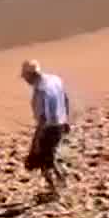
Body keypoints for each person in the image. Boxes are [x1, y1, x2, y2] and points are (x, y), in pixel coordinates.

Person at [20, 61, 69, 199]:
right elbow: (65, 99)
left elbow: (42, 120)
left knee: (42, 161)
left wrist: (35, 142)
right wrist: (66, 120)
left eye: (25, 77)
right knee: (51, 157)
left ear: (30, 75)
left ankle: (54, 191)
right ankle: (62, 183)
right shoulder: (55, 79)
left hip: (49, 129)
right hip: (60, 124)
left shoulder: (40, 92)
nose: (25, 80)